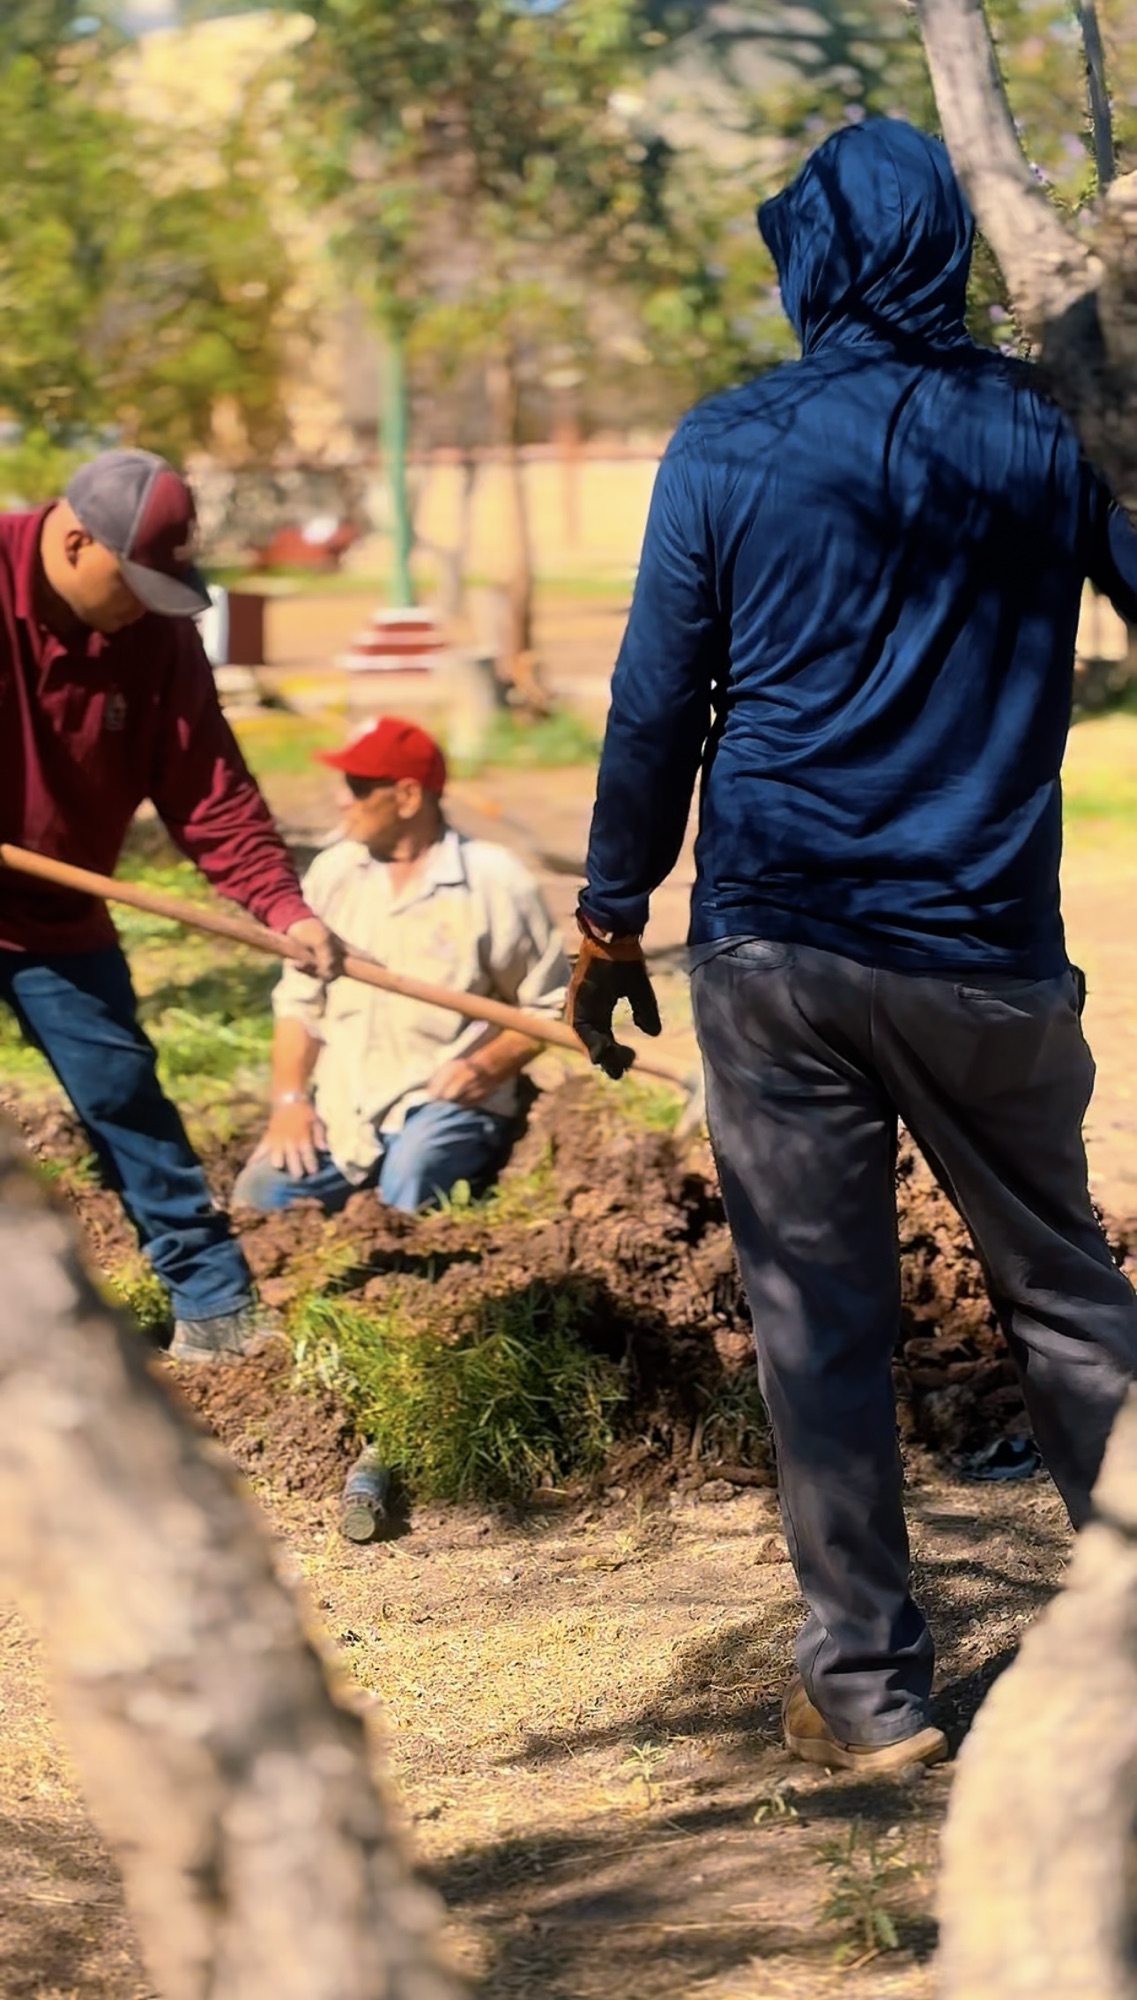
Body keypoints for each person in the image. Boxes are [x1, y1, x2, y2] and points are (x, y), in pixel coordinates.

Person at [567, 118, 1137, 1775]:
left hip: (779, 957)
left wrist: (610, 914)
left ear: (812, 257)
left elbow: (653, 702)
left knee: (819, 1315)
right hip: (982, 955)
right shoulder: (1045, 431)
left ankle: (872, 1697)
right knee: (1066, 1296)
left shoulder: (730, 440)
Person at [0, 447, 337, 1362]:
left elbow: (208, 786)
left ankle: (216, 1308)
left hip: (51, 916)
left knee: (123, 1090)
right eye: (134, 578)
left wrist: (281, 905)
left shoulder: (154, 632)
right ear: (73, 540)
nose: (147, 601)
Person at [233, 716, 568, 1214]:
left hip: (439, 1099)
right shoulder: (334, 872)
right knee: (260, 1196)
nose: (342, 800)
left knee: (406, 1189)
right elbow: (298, 1002)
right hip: (346, 1104)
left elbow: (549, 1006)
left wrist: (485, 1066)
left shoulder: (494, 883)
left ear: (408, 797)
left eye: (358, 787)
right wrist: (289, 1101)